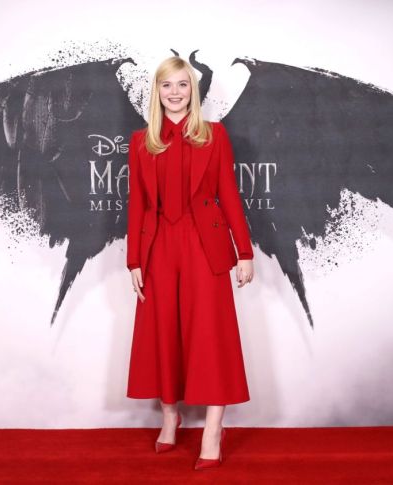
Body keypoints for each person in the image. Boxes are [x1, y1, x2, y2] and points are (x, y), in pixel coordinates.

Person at [125, 55, 255, 470]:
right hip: (158, 247)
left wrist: (244, 251)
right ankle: (170, 416)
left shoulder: (214, 135)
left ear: (193, 91)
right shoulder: (141, 141)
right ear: (157, 92)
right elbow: (137, 204)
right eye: (167, 85)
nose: (175, 92)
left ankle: (213, 430)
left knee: (211, 335)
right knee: (163, 332)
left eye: (183, 84)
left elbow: (229, 194)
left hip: (204, 245)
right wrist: (133, 260)